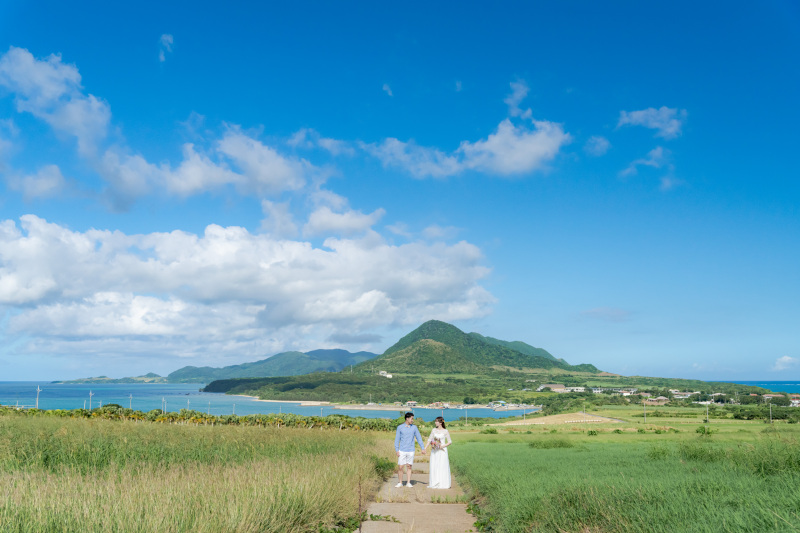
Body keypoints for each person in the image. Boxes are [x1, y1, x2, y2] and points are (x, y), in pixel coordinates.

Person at [394, 412, 425, 487]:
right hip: (402, 450)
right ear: (407, 418)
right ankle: (400, 483)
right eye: (412, 419)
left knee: (409, 466)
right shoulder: (400, 427)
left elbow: (419, 438)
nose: (412, 420)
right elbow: (397, 439)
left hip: (411, 450)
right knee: (400, 467)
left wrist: (422, 448)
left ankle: (408, 482)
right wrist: (397, 450)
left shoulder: (414, 427)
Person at [426, 416, 452, 489]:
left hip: (442, 451)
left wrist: (442, 446)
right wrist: (425, 447)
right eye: (435, 421)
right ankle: (434, 482)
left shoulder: (445, 431)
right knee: (434, 465)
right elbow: (429, 439)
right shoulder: (434, 430)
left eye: (436, 421)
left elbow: (450, 442)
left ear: (440, 422)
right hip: (435, 451)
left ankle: (443, 483)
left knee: (442, 466)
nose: (435, 422)